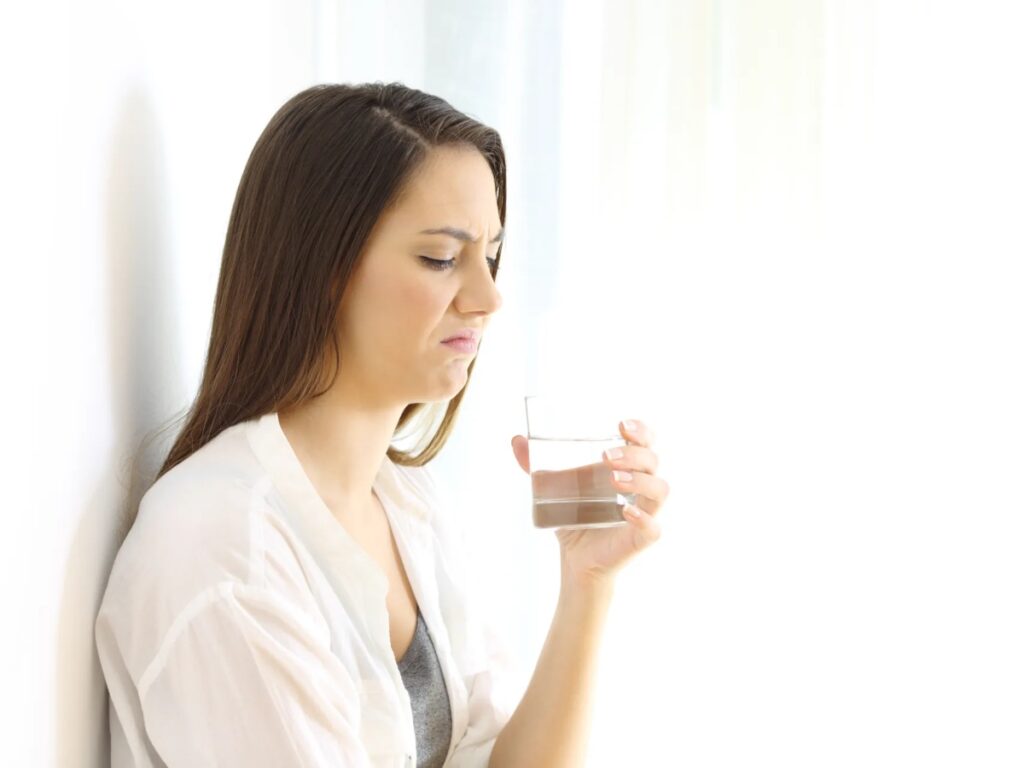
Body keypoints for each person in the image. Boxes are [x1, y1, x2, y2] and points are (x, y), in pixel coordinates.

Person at [94, 82, 670, 768]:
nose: (488, 297)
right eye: (440, 258)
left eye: (488, 255)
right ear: (323, 266)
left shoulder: (405, 500)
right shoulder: (222, 554)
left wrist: (587, 582)